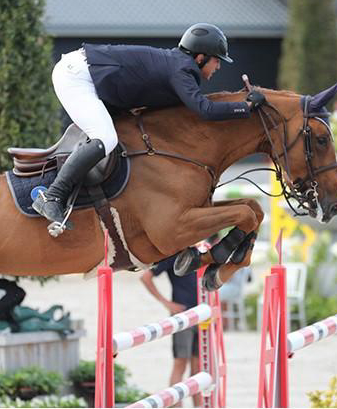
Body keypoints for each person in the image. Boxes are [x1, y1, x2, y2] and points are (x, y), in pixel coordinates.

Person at [32, 23, 267, 227]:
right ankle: (52, 197)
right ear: (199, 57)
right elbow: (205, 110)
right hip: (77, 76)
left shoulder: (179, 66)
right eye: (216, 61)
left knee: (118, 136)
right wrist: (246, 108)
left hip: (88, 75)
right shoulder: (182, 69)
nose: (218, 67)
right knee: (105, 138)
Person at [140, 254, 201, 408]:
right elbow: (146, 277)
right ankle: (176, 406)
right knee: (180, 363)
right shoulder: (174, 255)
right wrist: (166, 303)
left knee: (198, 368)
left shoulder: (200, 251)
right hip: (182, 317)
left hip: (201, 315)